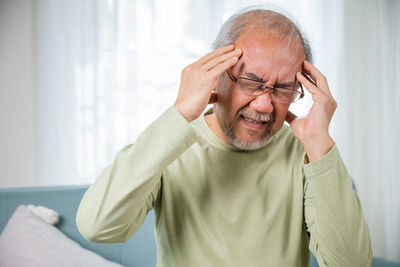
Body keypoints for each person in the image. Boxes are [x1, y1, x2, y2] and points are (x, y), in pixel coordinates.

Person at [76, 7, 372, 267]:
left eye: (282, 88)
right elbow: (97, 227)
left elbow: (351, 264)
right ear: (216, 73)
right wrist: (179, 115)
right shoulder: (171, 142)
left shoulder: (306, 150)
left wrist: (320, 144)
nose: (264, 105)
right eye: (251, 82)